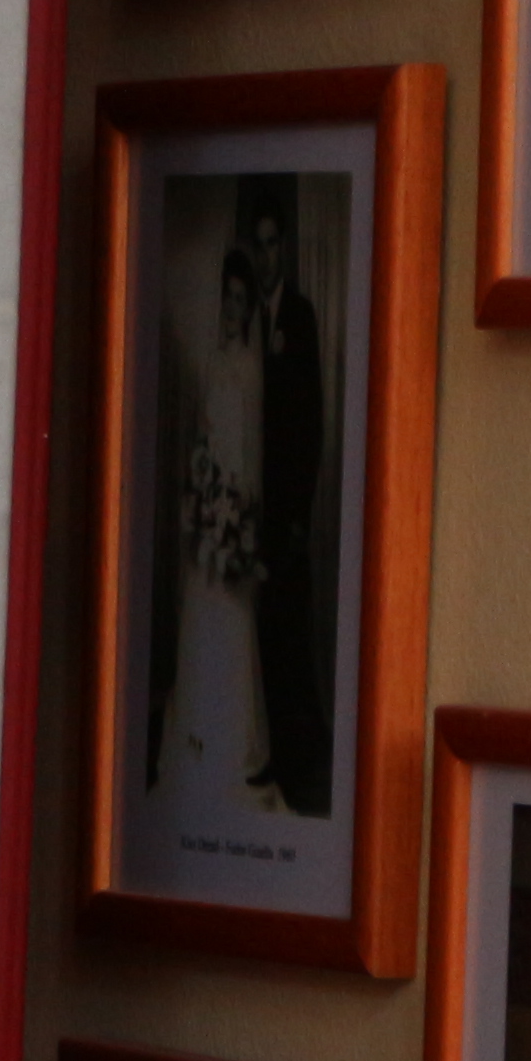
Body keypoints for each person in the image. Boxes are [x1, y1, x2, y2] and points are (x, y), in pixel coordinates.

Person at [154, 245, 273, 811]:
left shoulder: (249, 367)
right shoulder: (210, 359)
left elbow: (249, 450)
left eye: (240, 300)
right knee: (200, 612)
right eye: (227, 297)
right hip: (209, 503)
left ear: (249, 310)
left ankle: (229, 740)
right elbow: (202, 436)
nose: (231, 308)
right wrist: (201, 493)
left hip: (234, 507)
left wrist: (239, 515)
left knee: (229, 615)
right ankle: (196, 734)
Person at [243, 187, 335, 817]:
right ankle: (269, 752)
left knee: (290, 635)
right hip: (252, 510)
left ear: (285, 248)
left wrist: (300, 513)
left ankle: (301, 764)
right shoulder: (246, 314)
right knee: (260, 636)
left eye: (275, 244)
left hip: (288, 515)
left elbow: (312, 420)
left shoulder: (299, 315)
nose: (268, 256)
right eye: (260, 246)